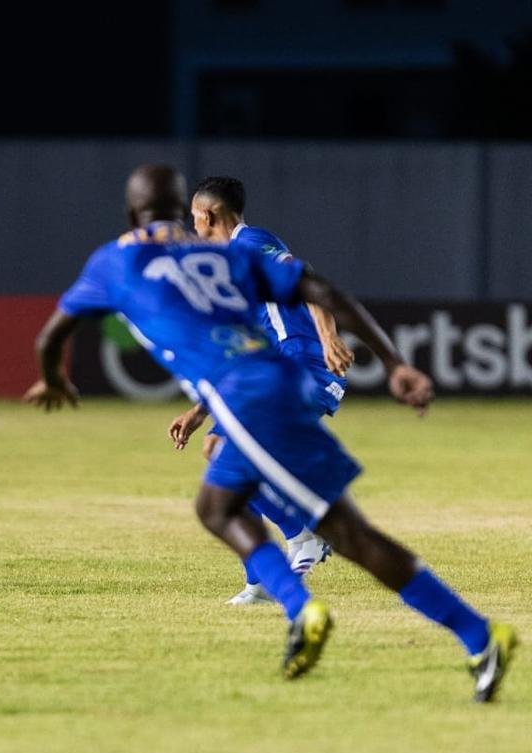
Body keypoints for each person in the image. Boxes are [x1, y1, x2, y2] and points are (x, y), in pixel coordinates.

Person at [25, 164, 516, 700]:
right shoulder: (222, 257)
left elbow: (52, 338)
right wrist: (394, 362)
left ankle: (460, 631)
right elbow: (321, 288)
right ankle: (319, 607)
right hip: (266, 388)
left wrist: (54, 382)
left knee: (348, 534)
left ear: (134, 213)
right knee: (218, 505)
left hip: (256, 397)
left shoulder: (116, 260)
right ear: (181, 213)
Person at [169, 176, 353, 604]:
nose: (194, 229)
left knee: (226, 455)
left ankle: (302, 534)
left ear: (208, 215)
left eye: (195, 220)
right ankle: (260, 580)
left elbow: (306, 279)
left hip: (304, 362)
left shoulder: (251, 244)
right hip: (277, 368)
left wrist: (327, 337)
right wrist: (198, 414)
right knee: (218, 450)